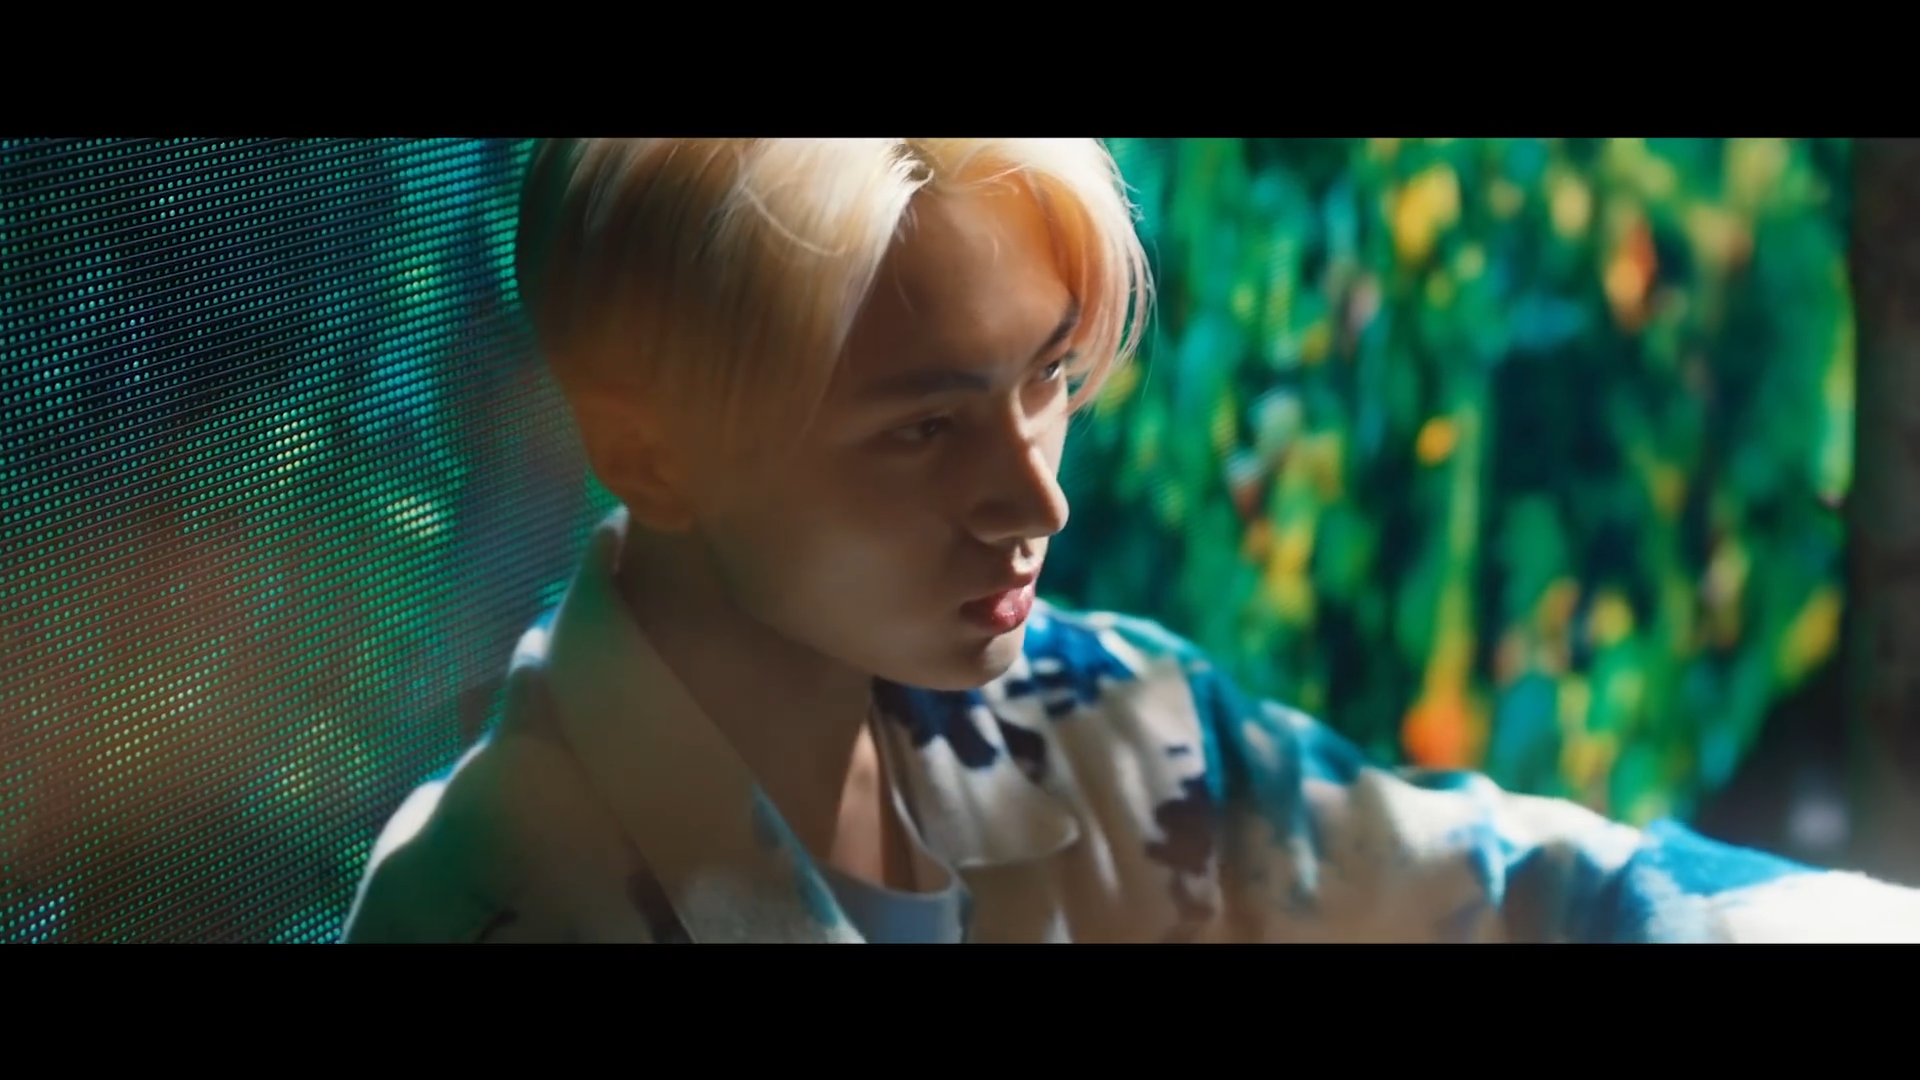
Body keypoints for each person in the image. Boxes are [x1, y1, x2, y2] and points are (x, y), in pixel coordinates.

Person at [341, 138, 1920, 943]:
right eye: (923, 429)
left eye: (1049, 379)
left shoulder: (1095, 708)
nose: (1037, 501)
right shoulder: (491, 907)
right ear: (649, 453)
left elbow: (1513, 888)